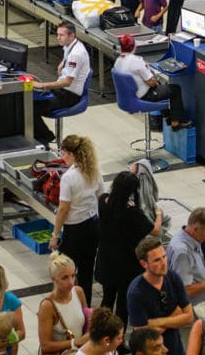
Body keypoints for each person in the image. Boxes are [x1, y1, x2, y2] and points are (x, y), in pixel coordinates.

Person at [47, 135, 104, 295]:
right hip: (93, 225)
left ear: (72, 154)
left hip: (75, 229)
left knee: (65, 269)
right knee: (86, 269)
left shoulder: (69, 178)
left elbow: (63, 209)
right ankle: (85, 305)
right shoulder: (94, 171)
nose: (61, 156)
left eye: (63, 152)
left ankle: (66, 300)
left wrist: (55, 234)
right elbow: (102, 196)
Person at [97, 171, 153, 325]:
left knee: (107, 299)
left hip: (106, 261)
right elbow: (153, 229)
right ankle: (119, 341)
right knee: (123, 305)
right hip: (126, 267)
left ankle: (100, 332)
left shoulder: (103, 202)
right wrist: (159, 216)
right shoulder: (133, 214)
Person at [128, 236, 193, 355]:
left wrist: (154, 322)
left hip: (176, 349)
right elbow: (142, 336)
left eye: (164, 257)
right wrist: (176, 315)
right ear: (144, 264)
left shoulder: (173, 277)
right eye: (157, 260)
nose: (164, 263)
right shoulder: (136, 292)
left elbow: (189, 317)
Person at [31, 21, 91, 146]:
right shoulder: (71, 45)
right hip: (62, 90)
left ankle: (45, 136)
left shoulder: (76, 54)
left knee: (30, 107)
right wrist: (62, 63)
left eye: (61, 35)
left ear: (72, 36)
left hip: (69, 96)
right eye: (57, 34)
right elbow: (66, 57)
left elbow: (67, 82)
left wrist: (43, 85)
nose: (58, 38)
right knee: (28, 99)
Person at [114, 34, 188, 127]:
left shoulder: (118, 61)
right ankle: (176, 123)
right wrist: (152, 76)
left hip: (126, 97)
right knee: (175, 89)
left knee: (162, 86)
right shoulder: (136, 61)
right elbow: (152, 83)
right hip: (143, 97)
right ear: (134, 46)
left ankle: (168, 118)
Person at [167, 207, 205, 306]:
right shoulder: (182, 252)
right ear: (195, 228)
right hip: (194, 311)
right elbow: (185, 290)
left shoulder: (193, 239)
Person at [37, 252, 91, 354]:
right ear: (54, 279)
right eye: (65, 277)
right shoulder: (47, 306)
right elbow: (45, 346)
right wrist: (76, 342)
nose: (71, 282)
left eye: (73, 275)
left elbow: (87, 322)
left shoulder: (78, 292)